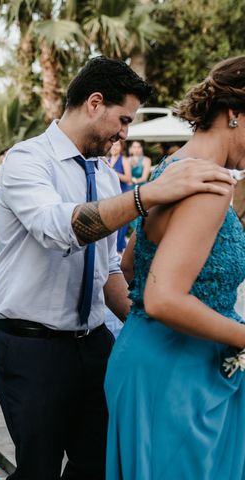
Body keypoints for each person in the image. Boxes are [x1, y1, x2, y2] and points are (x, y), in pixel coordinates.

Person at [0, 55, 236, 480]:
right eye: (123, 120)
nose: (125, 133)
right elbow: (59, 229)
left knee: (99, 466)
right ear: (94, 103)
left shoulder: (103, 175)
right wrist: (147, 194)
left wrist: (147, 324)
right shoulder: (27, 161)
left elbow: (109, 272)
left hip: (94, 343)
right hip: (31, 346)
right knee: (39, 470)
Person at [105, 56, 245, 480]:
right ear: (235, 114)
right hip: (180, 385)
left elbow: (128, 268)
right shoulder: (210, 183)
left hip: (150, 365)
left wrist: (146, 332)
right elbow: (162, 297)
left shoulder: (172, 171)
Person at [106, 140, 131, 253]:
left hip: (123, 194)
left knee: (121, 226)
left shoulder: (124, 160)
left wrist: (113, 172)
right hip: (111, 196)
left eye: (117, 145)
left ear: (121, 147)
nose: (114, 147)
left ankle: (119, 252)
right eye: (113, 145)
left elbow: (128, 178)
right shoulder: (107, 160)